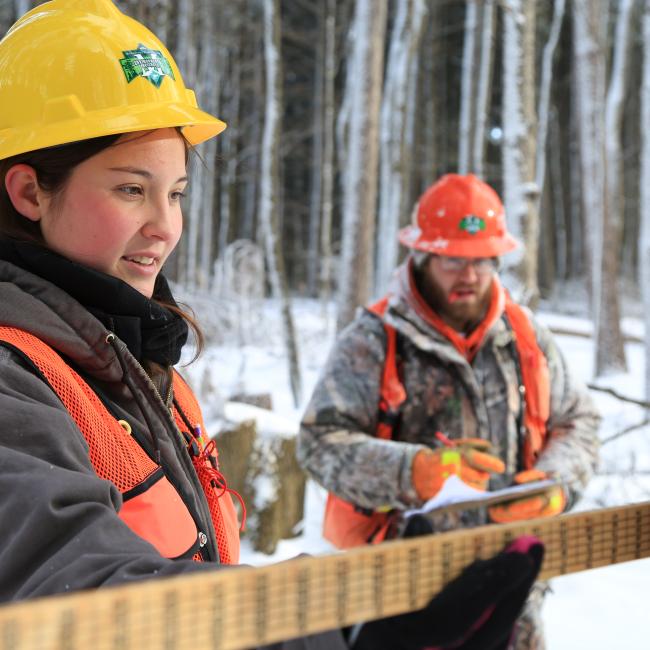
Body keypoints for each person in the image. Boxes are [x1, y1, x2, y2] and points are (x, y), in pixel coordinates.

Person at [0, 2, 544, 649]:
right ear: (30, 192)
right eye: (130, 189)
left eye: (175, 193)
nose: (166, 226)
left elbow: (194, 574)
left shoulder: (136, 365)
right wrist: (345, 623)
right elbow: (86, 602)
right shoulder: (17, 383)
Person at [298, 173, 601, 649]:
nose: (470, 276)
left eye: (482, 261)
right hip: (405, 603)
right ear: (422, 255)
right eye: (454, 260)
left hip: (514, 593)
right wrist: (412, 472)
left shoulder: (525, 335)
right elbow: (319, 442)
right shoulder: (374, 338)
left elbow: (579, 422)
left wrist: (555, 484)